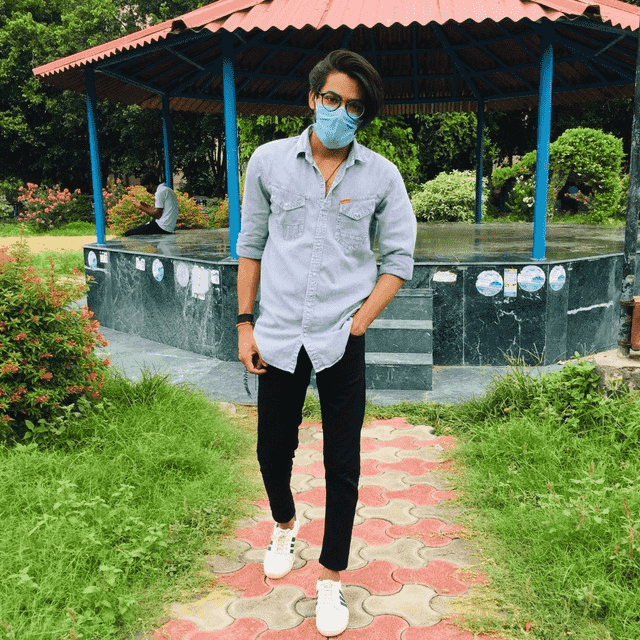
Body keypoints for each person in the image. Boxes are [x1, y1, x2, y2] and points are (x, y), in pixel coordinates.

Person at [236, 50, 417, 637]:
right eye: (333, 99)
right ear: (313, 98)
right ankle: (285, 525)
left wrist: (360, 322)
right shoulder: (268, 162)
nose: (341, 112)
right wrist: (244, 324)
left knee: (343, 462)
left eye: (355, 106)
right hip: (277, 333)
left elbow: (399, 259)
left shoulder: (382, 176)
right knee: (272, 450)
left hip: (341, 336)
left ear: (364, 114)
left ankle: (331, 577)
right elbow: (251, 246)